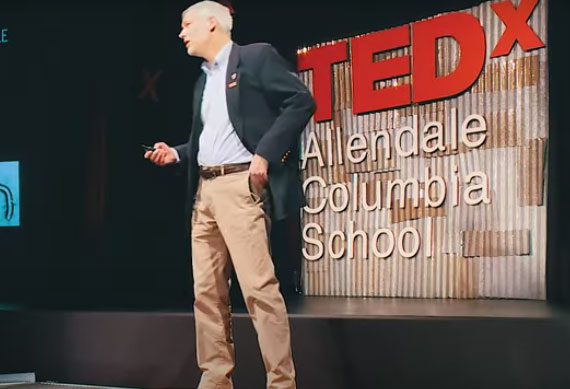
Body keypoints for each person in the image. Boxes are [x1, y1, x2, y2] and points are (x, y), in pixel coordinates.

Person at [144, 1, 315, 388]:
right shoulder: (203, 79)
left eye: (186, 24)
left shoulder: (254, 57)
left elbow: (300, 101)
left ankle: (281, 383)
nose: (181, 32)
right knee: (206, 293)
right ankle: (216, 379)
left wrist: (266, 154)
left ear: (212, 24)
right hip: (204, 192)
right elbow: (208, 140)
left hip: (239, 188)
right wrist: (176, 153)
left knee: (258, 290)